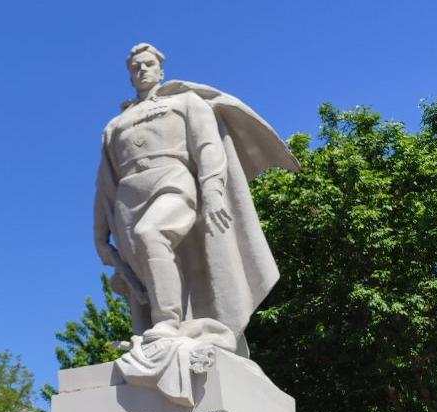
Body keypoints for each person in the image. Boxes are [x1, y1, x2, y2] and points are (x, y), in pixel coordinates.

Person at [93, 42, 297, 351]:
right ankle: (167, 328)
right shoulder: (114, 126)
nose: (142, 69)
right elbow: (105, 184)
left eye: (148, 64)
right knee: (146, 274)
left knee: (152, 234)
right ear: (130, 76)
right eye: (136, 67)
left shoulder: (187, 102)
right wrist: (99, 237)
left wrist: (214, 191)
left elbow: (207, 147)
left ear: (161, 70)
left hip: (173, 181)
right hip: (127, 201)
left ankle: (168, 322)